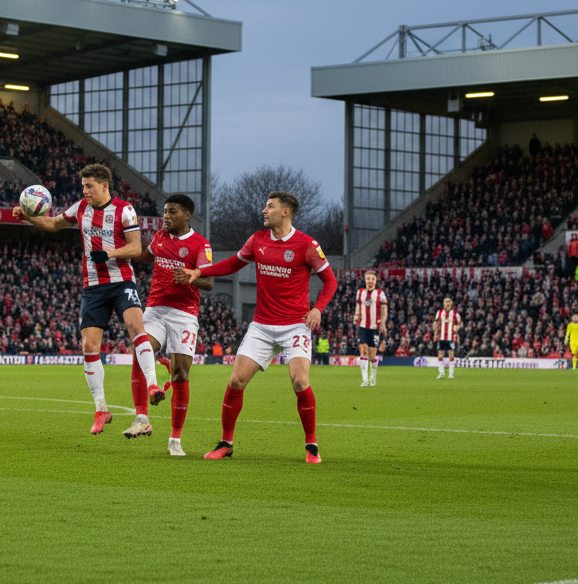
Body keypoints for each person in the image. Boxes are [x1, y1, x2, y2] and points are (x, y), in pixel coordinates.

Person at [173, 191, 338, 462]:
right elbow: (233, 264)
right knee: (236, 380)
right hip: (261, 325)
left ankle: (311, 445)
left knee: (299, 381)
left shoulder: (307, 244)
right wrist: (200, 271)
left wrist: (317, 308)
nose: (264, 210)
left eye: (270, 206)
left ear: (285, 212)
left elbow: (330, 281)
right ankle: (226, 443)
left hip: (295, 326)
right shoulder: (257, 239)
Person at [13, 163, 164, 434]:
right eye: (83, 186)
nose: (85, 191)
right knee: (89, 345)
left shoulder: (124, 209)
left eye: (89, 186)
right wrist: (27, 217)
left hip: (121, 281)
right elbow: (54, 224)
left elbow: (135, 248)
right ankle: (101, 409)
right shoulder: (80, 207)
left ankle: (152, 384)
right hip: (93, 286)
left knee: (135, 328)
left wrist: (109, 254)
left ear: (104, 186)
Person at [126, 193, 213, 455]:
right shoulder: (160, 237)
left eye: (172, 212)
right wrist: (125, 246)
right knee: (140, 349)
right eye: (165, 211)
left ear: (187, 215)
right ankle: (142, 418)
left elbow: (209, 282)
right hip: (156, 309)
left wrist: (191, 278)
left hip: (184, 314)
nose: (166, 216)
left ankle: (175, 439)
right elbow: (145, 256)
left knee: (180, 374)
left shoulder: (200, 244)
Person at [353, 270, 388, 386]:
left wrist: (383, 323)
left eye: (372, 279)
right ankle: (365, 380)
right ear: (365, 280)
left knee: (372, 355)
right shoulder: (360, 292)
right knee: (363, 350)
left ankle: (372, 378)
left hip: (375, 327)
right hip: (362, 326)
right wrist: (355, 316)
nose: (370, 281)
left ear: (376, 280)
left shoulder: (380, 294)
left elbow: (384, 311)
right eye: (368, 278)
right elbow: (358, 307)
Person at [432, 296, 462, 379]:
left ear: (451, 303)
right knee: (440, 354)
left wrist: (458, 327)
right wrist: (435, 332)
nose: (447, 303)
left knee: (451, 354)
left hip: (450, 337)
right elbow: (435, 322)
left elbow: (460, 323)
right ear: (443, 303)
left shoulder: (455, 313)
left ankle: (451, 373)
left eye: (449, 301)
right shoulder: (440, 312)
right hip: (441, 337)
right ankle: (441, 373)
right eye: (446, 302)